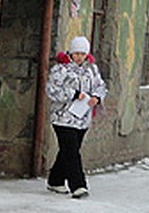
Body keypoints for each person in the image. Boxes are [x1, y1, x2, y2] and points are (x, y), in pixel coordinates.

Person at [45, 36, 107, 198]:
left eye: (83, 53)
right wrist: (74, 94)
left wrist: (97, 97)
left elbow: (101, 86)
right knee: (71, 150)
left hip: (82, 117)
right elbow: (52, 90)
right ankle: (78, 185)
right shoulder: (61, 69)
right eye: (76, 53)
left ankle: (55, 180)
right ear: (71, 53)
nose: (79, 57)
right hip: (62, 116)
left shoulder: (91, 69)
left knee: (69, 149)